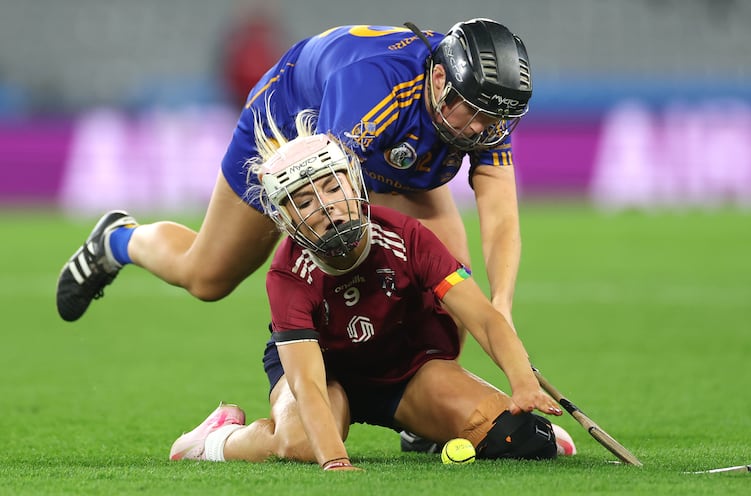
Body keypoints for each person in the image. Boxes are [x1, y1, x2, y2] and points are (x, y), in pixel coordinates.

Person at [56, 18, 531, 451]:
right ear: (440, 77)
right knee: (206, 276)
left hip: (382, 148)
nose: (478, 130)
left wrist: (502, 306)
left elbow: (501, 212)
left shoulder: (487, 104)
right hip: (293, 130)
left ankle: (420, 418)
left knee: (454, 280)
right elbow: (329, 202)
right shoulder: (372, 89)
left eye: (490, 121)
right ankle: (118, 239)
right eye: (469, 113)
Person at [168, 110, 575, 470]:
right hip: (325, 375)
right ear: (285, 216)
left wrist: (522, 382)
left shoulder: (408, 236)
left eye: (331, 187)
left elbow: (484, 319)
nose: (326, 207)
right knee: (301, 443)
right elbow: (308, 384)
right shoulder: (287, 274)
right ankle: (215, 441)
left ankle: (428, 429)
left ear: (353, 182)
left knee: (519, 442)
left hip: (407, 369)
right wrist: (335, 461)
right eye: (303, 200)